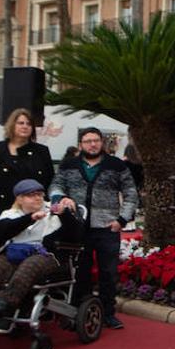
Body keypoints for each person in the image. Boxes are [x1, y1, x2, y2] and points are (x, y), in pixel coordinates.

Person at [50, 127, 138, 330]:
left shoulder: (116, 165)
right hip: (78, 227)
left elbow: (131, 193)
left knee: (108, 273)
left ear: (102, 142)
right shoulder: (69, 165)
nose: (92, 144)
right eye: (88, 141)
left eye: (96, 140)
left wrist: (122, 220)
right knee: (80, 272)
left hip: (107, 227)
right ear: (81, 144)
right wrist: (60, 198)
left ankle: (108, 313)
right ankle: (80, 313)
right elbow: (56, 185)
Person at [0, 179, 83, 318]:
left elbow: (76, 235)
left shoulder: (54, 210)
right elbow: (0, 233)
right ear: (20, 199)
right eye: (31, 195)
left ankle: (6, 303)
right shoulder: (10, 214)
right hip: (15, 252)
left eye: (40, 194)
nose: (37, 198)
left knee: (29, 266)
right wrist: (30, 218)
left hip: (47, 255)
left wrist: (65, 214)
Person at [0, 108, 54, 217]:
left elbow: (50, 180)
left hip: (34, 210)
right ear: (12, 125)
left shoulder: (41, 151)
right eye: (21, 123)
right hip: (0, 209)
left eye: (29, 124)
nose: (25, 126)